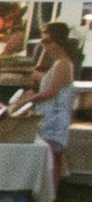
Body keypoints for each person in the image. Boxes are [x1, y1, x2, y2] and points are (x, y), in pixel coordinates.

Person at [27, 21, 80, 160]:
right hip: (48, 120)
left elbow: (51, 92)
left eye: (47, 41)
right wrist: (40, 78)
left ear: (58, 42)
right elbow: (54, 83)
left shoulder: (63, 63)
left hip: (54, 122)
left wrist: (26, 101)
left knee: (52, 164)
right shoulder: (59, 64)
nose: (45, 46)